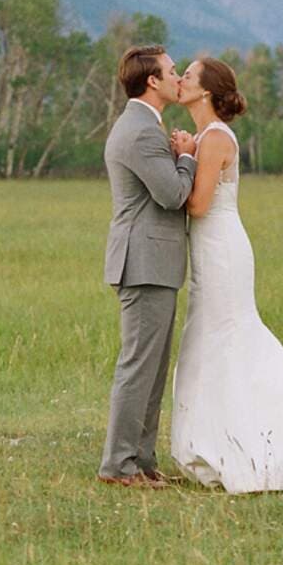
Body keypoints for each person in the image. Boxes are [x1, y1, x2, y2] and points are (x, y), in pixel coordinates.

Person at [166, 57, 283, 493]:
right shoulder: (209, 136)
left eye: (187, 75)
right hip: (213, 248)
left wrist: (184, 159)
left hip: (222, 248)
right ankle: (233, 445)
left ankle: (252, 452)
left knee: (229, 339)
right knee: (214, 339)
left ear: (206, 91)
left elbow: (197, 206)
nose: (180, 80)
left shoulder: (212, 139)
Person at [97, 44, 201, 486]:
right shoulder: (141, 131)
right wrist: (189, 156)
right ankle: (118, 465)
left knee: (153, 365)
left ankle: (141, 461)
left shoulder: (144, 125)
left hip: (152, 260)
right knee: (139, 365)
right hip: (143, 260)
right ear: (153, 81)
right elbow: (172, 194)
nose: (179, 78)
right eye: (173, 71)